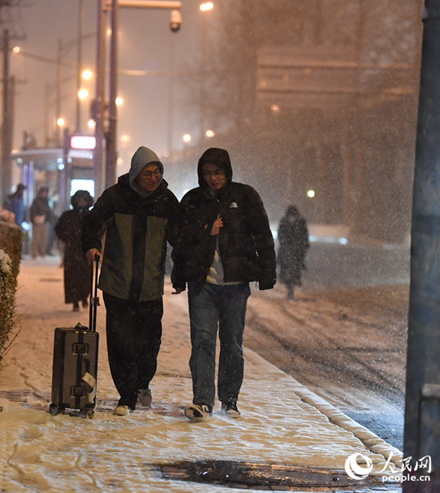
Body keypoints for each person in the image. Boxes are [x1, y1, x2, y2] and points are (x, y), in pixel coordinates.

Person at [171, 147, 276, 421]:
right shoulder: (193, 200)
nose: (213, 178)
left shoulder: (245, 196)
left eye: (217, 172)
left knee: (232, 343)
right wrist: (179, 276)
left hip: (235, 283)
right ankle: (203, 401)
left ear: (227, 171)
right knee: (203, 342)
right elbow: (179, 240)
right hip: (202, 284)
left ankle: (230, 401)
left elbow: (262, 235)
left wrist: (267, 273)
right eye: (207, 173)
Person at [82, 146, 183, 416]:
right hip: (118, 283)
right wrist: (92, 245)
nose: (153, 178)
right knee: (120, 342)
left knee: (150, 343)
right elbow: (91, 224)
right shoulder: (115, 198)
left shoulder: (166, 201)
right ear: (135, 174)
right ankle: (126, 396)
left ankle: (141, 383)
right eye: (147, 173)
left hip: (150, 286)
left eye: (157, 172)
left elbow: (181, 238)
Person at [54, 190, 94, 312]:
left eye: (84, 200)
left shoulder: (91, 216)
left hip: (86, 250)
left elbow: (98, 230)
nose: (81, 202)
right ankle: (75, 300)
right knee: (72, 276)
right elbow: (58, 229)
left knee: (86, 276)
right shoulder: (68, 216)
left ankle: (84, 296)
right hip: (72, 250)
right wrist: (67, 239)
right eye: (79, 200)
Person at [277, 205, 310, 300]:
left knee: (298, 261)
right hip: (288, 247)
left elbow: (304, 234)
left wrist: (303, 243)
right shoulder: (286, 222)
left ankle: (295, 276)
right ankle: (287, 275)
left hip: (297, 247)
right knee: (282, 259)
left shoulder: (299, 222)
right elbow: (281, 234)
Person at [30, 186, 53, 259]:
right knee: (36, 238)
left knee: (43, 238)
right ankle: (34, 253)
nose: (43, 194)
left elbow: (48, 211)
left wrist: (46, 218)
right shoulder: (36, 201)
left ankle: (42, 252)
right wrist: (35, 218)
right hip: (36, 222)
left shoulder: (46, 201)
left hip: (43, 222)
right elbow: (32, 210)